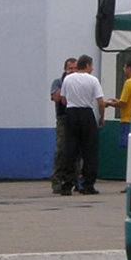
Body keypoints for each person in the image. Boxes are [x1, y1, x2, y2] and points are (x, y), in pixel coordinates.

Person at [59, 54, 109, 195]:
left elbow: (63, 99)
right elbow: (100, 102)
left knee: (71, 150)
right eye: (91, 66)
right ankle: (88, 185)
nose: (92, 68)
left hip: (71, 113)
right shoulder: (93, 80)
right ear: (87, 65)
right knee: (89, 151)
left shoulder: (68, 79)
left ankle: (67, 184)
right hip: (86, 113)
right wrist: (101, 117)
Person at [49, 57, 79, 194]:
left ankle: (75, 180)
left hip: (77, 119)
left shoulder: (80, 82)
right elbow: (56, 97)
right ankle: (57, 180)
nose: (72, 71)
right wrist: (66, 86)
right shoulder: (58, 82)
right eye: (70, 68)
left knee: (77, 151)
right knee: (61, 150)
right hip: (63, 119)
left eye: (75, 68)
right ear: (65, 69)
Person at [106, 60, 131, 149]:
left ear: (129, 68)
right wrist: (117, 101)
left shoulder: (129, 82)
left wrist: (109, 103)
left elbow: (123, 104)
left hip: (127, 120)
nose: (124, 70)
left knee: (127, 147)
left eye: (125, 67)